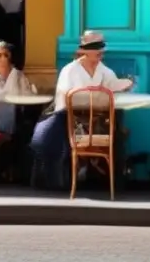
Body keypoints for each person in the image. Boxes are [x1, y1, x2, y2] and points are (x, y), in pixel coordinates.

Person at [30, 31, 132, 188]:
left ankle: (112, 180)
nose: (100, 51)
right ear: (83, 49)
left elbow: (114, 84)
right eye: (95, 46)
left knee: (118, 127)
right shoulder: (70, 71)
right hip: (70, 121)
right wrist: (95, 96)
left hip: (97, 122)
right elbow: (67, 99)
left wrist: (125, 84)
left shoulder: (104, 71)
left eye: (101, 46)